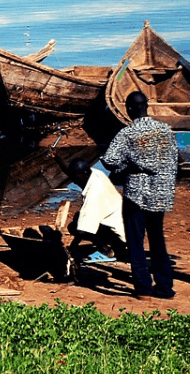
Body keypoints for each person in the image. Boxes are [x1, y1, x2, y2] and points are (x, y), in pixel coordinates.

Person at [101, 91, 178, 299]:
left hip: (136, 194)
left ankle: (143, 288)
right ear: (147, 106)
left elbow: (109, 160)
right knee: (158, 241)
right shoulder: (165, 130)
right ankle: (165, 287)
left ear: (131, 108)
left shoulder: (128, 133)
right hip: (160, 195)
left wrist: (127, 165)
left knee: (136, 243)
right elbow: (173, 162)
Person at [65, 157, 127, 263]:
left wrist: (72, 247)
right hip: (125, 225)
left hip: (120, 236)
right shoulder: (96, 174)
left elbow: (82, 230)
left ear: (84, 173)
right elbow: (72, 173)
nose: (73, 181)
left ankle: (106, 251)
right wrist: (57, 158)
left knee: (75, 227)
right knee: (80, 218)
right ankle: (110, 245)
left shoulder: (93, 195)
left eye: (75, 177)